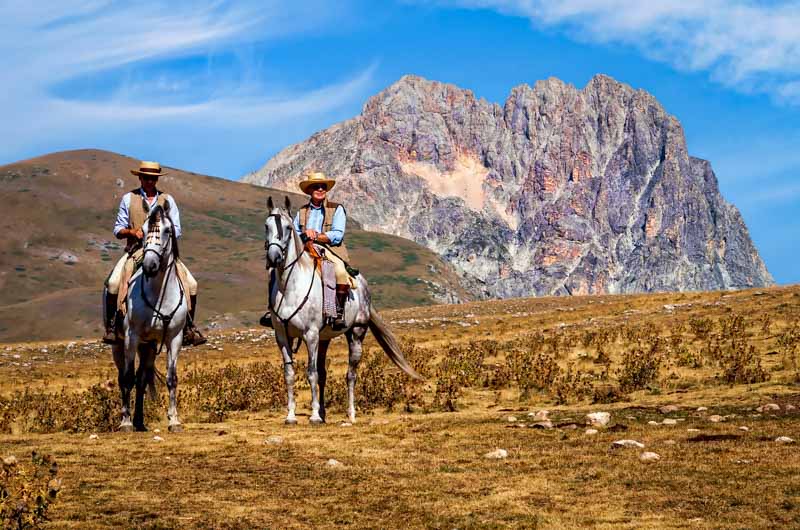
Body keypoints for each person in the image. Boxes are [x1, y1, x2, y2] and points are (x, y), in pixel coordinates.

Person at [102, 161, 206, 346]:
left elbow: (178, 230)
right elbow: (118, 229)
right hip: (136, 251)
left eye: (153, 178)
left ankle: (188, 327)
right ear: (140, 178)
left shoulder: (168, 200)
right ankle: (112, 327)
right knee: (113, 283)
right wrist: (132, 232)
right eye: (146, 177)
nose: (149, 181)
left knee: (192, 284)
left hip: (163, 253)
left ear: (156, 179)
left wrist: (164, 232)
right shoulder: (129, 199)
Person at [262, 171, 352, 330]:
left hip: (330, 248)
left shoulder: (337, 209)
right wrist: (304, 235)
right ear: (310, 190)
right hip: (305, 248)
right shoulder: (302, 211)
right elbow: (294, 232)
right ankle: (272, 310)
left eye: (323, 186)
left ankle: (339, 312)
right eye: (316, 186)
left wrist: (317, 235)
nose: (320, 189)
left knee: (339, 271)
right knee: (275, 270)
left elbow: (338, 234)